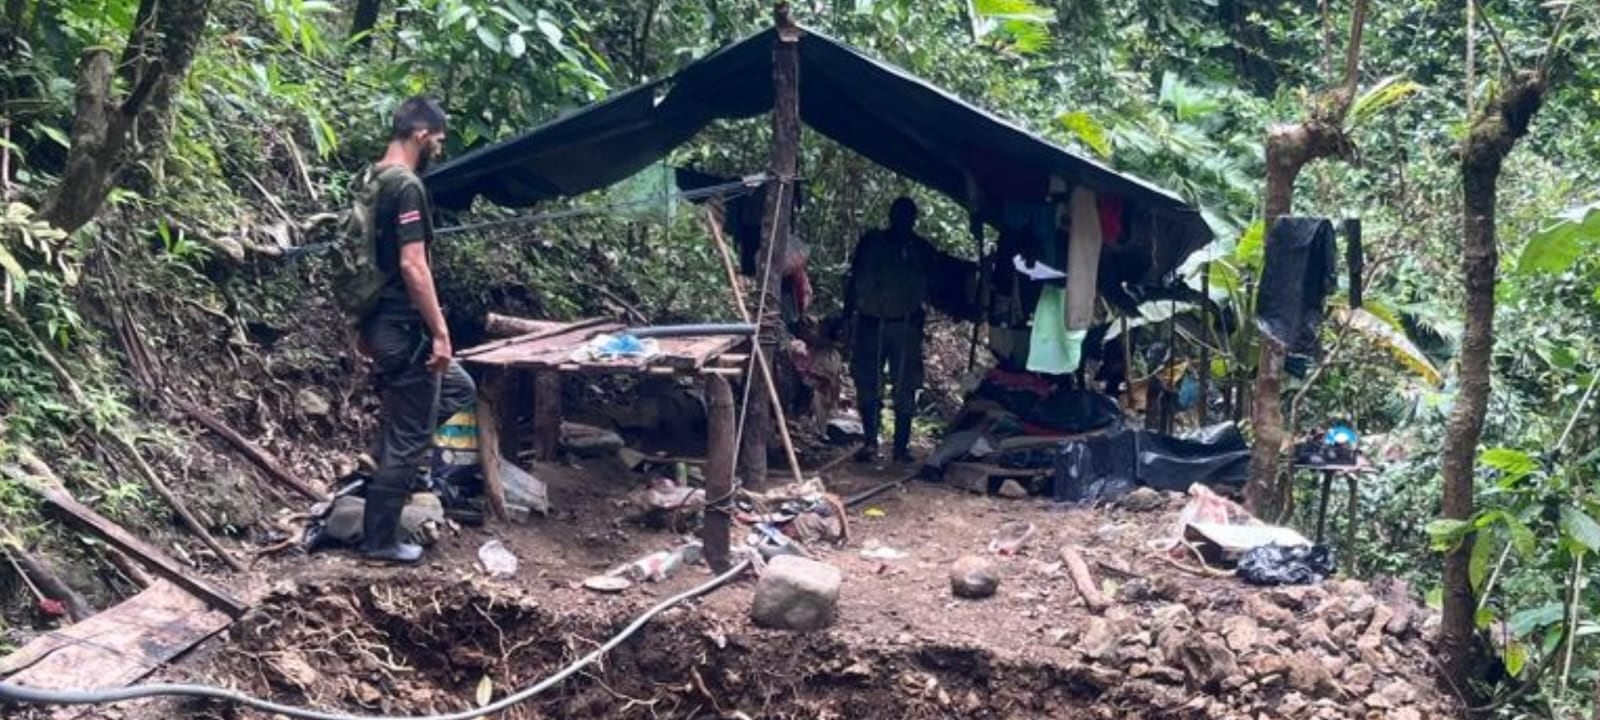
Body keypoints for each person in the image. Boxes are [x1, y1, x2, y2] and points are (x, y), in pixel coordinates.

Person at [354, 96, 475, 563]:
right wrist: (441, 332)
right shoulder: (406, 187)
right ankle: (380, 541)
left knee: (456, 387)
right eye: (439, 142)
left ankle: (384, 460)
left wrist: (359, 325)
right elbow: (413, 266)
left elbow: (361, 260)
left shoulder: (370, 178)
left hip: (380, 323)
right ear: (421, 135)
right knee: (411, 435)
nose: (439, 151)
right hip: (403, 330)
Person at [843, 197, 950, 464]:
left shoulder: (921, 249)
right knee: (867, 383)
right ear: (891, 216)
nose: (902, 221)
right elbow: (854, 279)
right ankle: (870, 442)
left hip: (905, 325)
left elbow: (939, 284)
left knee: (906, 385)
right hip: (870, 322)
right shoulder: (871, 242)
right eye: (898, 215)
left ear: (913, 221)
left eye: (907, 217)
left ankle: (900, 447)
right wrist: (847, 316)